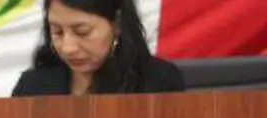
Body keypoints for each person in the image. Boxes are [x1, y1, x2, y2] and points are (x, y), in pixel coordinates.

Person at [12, 0, 185, 96]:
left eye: (82, 32)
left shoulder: (159, 82)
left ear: (117, 24)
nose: (67, 48)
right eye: (57, 32)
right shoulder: (32, 86)